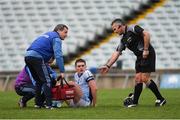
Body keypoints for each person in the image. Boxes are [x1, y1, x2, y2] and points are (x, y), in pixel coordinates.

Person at [99, 18, 166, 107]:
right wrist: (107, 66)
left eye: (114, 29)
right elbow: (117, 53)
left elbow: (146, 34)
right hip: (139, 57)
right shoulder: (123, 40)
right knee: (138, 79)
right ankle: (135, 102)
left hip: (147, 53)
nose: (114, 31)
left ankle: (161, 99)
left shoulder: (133, 28)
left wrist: (146, 50)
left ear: (120, 26)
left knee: (144, 78)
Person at [24, 24, 68, 109]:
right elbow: (58, 55)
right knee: (47, 81)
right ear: (58, 30)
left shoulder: (47, 34)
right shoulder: (56, 38)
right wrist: (62, 71)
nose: (66, 35)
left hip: (27, 56)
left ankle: (38, 104)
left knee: (38, 82)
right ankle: (49, 105)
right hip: (37, 57)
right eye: (65, 32)